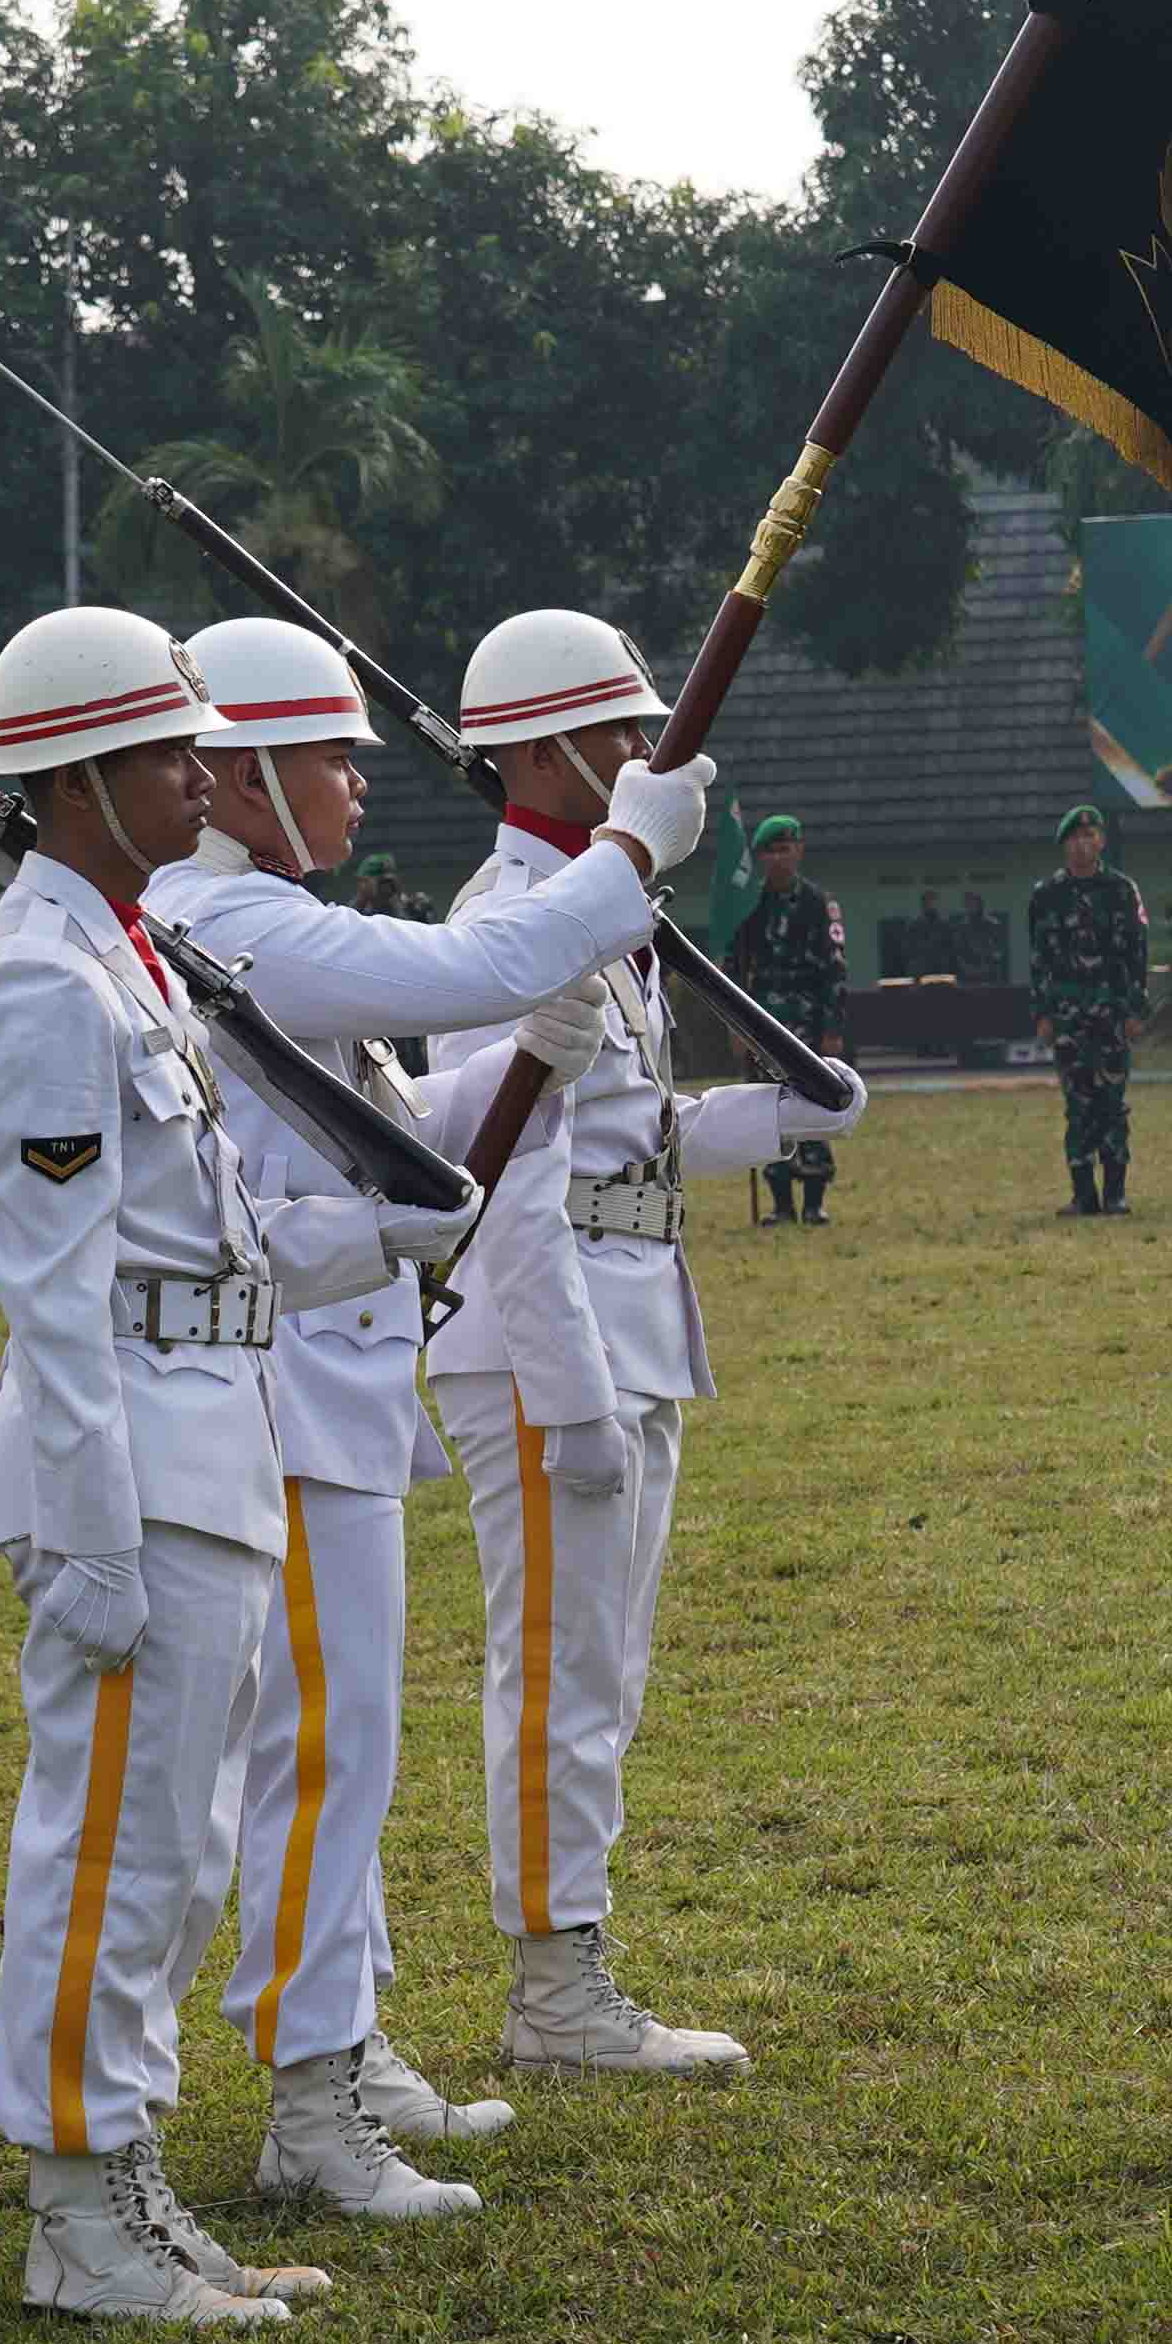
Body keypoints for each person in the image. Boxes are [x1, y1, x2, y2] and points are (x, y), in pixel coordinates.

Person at [0, 604, 472, 2324]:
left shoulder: (126, 959)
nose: (200, 772)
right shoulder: (44, 982)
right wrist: (93, 1535)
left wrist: (374, 1238)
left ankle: (127, 2182)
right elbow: (56, 1296)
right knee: (110, 1850)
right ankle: (80, 2205)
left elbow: (213, 1247)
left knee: (172, 1853)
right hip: (133, 1473)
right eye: (167, 752)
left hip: (206, 1447)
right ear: (78, 782)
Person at [153, 614, 714, 2215]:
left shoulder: (260, 923)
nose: (356, 784)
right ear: (243, 777)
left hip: (333, 1390)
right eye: (328, 759)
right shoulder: (236, 918)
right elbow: (468, 969)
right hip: (282, 1396)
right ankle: (310, 2088)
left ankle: (338, 2039)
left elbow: (408, 1132)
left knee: (341, 1749)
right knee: (318, 1751)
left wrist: (518, 1062)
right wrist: (626, 854)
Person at [426, 607, 861, 2083]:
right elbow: (509, 1176)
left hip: (628, 1323)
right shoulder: (505, 924)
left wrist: (776, 1116)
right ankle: (555, 1983)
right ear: (541, 752)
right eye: (618, 732)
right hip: (551, 1344)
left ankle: (572, 1957)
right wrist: (570, 1393)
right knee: (559, 1669)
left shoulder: (604, 919)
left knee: (603, 1666)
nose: (645, 755)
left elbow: (632, 1137)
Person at [724, 815, 848, 1225]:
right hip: (763, 1028)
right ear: (760, 858)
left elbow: (835, 971)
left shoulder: (819, 904)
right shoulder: (748, 906)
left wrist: (832, 1028)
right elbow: (733, 973)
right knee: (768, 1112)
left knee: (812, 1107)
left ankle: (814, 1202)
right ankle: (780, 1203)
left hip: (808, 1025)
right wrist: (736, 1028)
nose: (779, 858)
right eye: (771, 851)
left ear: (799, 851)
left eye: (785, 849)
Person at [1027, 807, 1149, 1216]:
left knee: (1112, 1102)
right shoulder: (1046, 896)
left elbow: (1137, 954)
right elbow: (1038, 960)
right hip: (1068, 1017)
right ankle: (1083, 1194)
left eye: (1089, 836)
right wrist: (1042, 1013)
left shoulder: (1122, 890)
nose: (1082, 844)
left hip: (1112, 1014)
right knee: (1078, 1104)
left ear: (1101, 841)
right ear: (1065, 846)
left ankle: (1115, 1193)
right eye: (1075, 838)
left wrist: (1135, 1009)